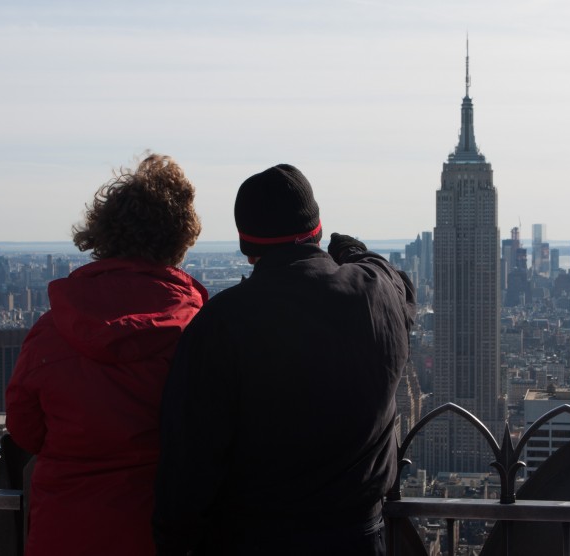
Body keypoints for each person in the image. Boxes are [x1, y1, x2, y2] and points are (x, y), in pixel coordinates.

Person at [152, 163, 416, 555]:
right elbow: (396, 281)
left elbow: (189, 462)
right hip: (359, 537)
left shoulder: (220, 323)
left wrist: (175, 541)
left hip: (256, 539)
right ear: (317, 230)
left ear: (248, 249)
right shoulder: (376, 294)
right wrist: (352, 251)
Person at [5, 154, 208, 556]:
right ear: (180, 239)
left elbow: (25, 430)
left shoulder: (51, 329)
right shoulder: (199, 332)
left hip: (63, 532)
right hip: (158, 531)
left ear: (103, 234)